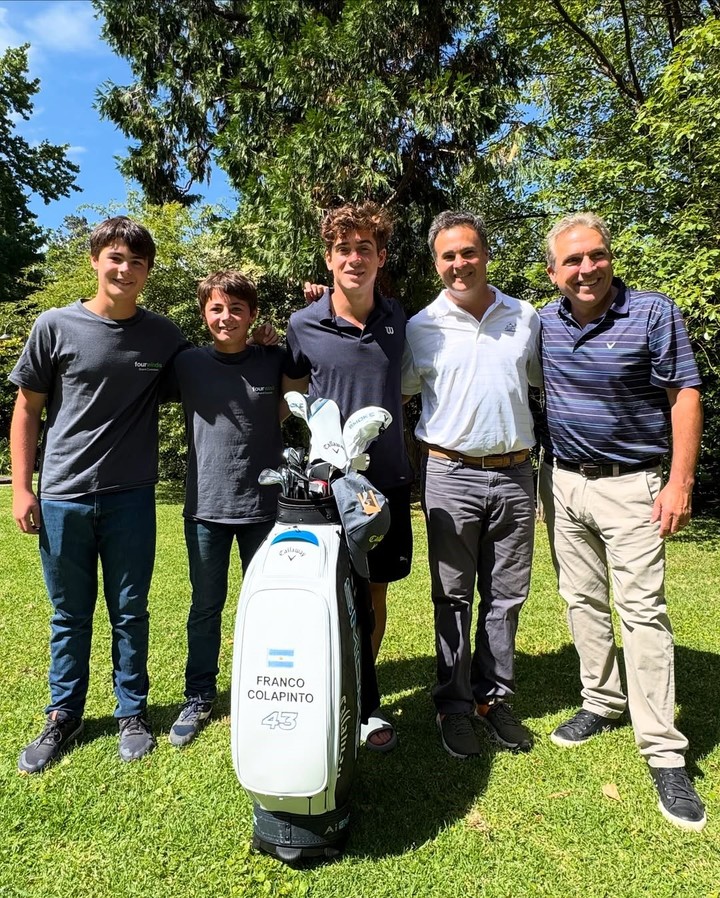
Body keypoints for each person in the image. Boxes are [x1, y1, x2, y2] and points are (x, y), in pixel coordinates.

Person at [538, 212, 706, 831]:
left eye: (596, 256)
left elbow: (684, 394)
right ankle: (602, 700)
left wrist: (679, 483)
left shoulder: (652, 312)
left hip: (633, 486)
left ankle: (664, 751)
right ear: (554, 272)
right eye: (573, 261)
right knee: (580, 599)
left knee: (642, 612)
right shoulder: (543, 323)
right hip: (561, 483)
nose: (587, 269)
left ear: (609, 257)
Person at [9, 216, 188, 772]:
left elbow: (212, 377)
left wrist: (259, 347)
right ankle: (64, 714)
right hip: (64, 495)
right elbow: (27, 409)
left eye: (137, 262)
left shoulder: (164, 336)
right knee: (69, 614)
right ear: (95, 260)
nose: (125, 269)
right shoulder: (54, 326)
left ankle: (130, 712)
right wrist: (21, 488)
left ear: (148, 271)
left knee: (130, 610)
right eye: (115, 258)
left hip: (132, 495)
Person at [401, 211, 541, 759]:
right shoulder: (421, 327)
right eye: (448, 255)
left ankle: (495, 699)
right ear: (437, 263)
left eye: (468, 252)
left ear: (486, 254)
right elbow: (402, 391)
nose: (459, 264)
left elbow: (544, 378)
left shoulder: (526, 318)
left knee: (506, 596)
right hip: (449, 474)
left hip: (514, 473)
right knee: (453, 595)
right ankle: (454, 704)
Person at [283, 201, 413, 751]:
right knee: (326, 594)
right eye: (343, 249)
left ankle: (361, 697)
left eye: (365, 248)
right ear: (329, 258)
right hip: (324, 490)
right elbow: (284, 387)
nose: (354, 258)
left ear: (381, 257)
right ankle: (326, 691)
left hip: (385, 485)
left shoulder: (402, 320)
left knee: (374, 593)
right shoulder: (302, 324)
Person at [166, 271, 286, 747]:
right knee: (206, 606)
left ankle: (267, 689)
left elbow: (300, 386)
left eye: (237, 308)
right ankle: (199, 696)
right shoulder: (187, 363)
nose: (227, 317)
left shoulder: (272, 359)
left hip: (265, 509)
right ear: (203, 315)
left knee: (268, 607)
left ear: (252, 315)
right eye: (217, 308)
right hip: (205, 509)